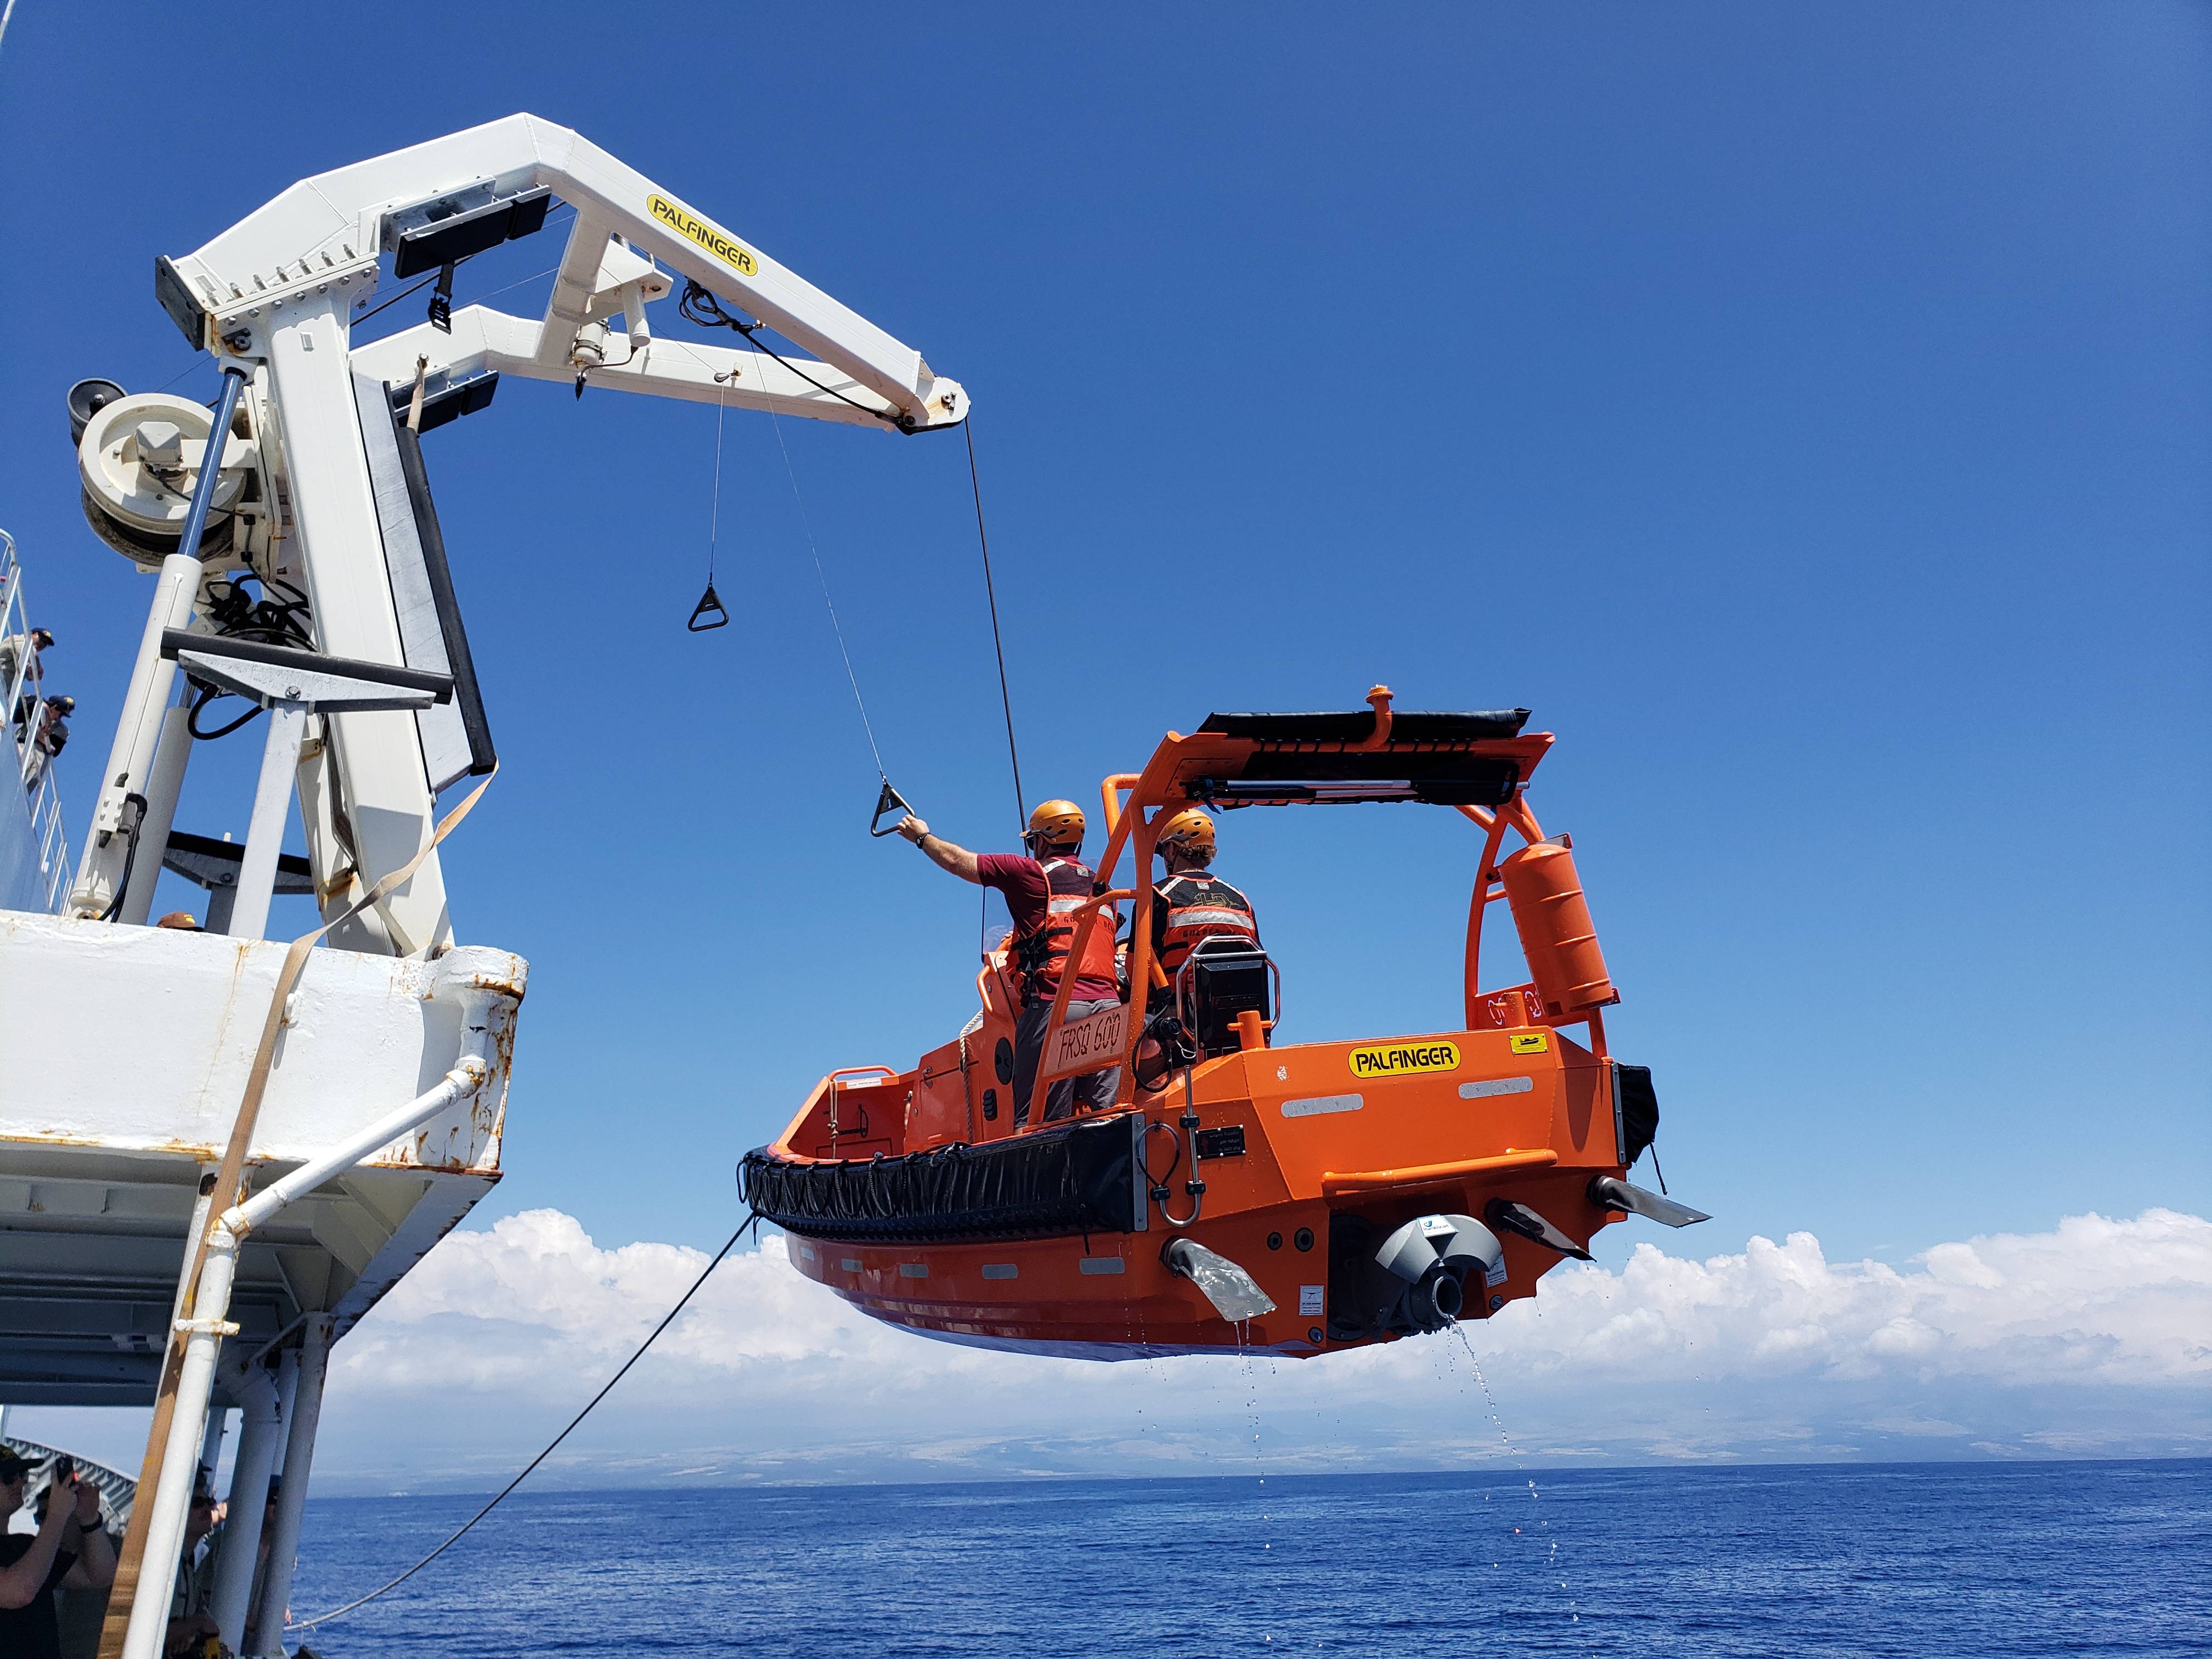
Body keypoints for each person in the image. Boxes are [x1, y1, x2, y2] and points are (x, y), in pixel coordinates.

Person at [896, 799, 1122, 1124]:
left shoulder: (1029, 873)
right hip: (1108, 1007)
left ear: (1043, 840)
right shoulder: (1104, 887)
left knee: (1038, 1121)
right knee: (1106, 1117)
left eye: (1032, 841)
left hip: (1056, 1005)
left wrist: (922, 838)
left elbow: (960, 862)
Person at [0, 1452, 115, 1659]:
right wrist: (57, 1515)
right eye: (8, 1478)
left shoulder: (25, 1546)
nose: (21, 1483)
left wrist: (89, 1520)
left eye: (22, 1474)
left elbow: (99, 1577)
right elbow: (19, 1592)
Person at [1149, 806, 1261, 998]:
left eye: (1164, 850)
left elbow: (1135, 965)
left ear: (1171, 849)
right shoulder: (1240, 898)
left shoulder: (1158, 894)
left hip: (1177, 1014)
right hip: (1243, 1013)